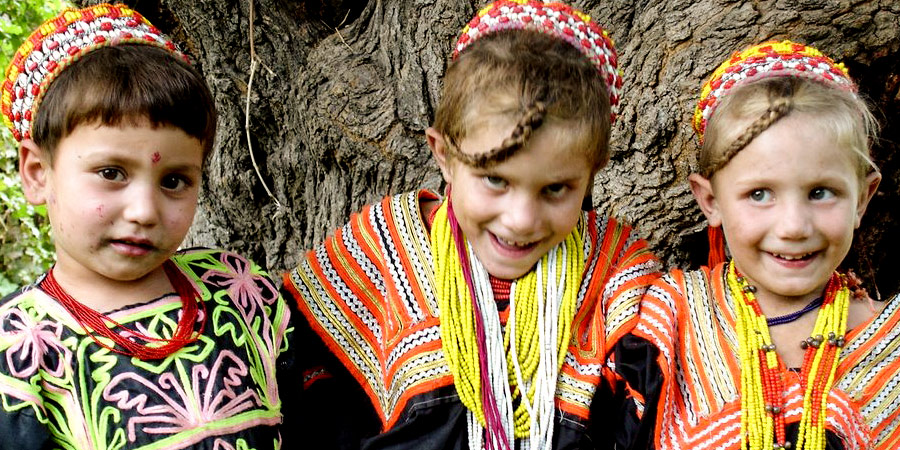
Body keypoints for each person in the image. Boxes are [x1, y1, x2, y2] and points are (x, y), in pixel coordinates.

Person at [280, 1, 660, 448]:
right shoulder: (383, 252)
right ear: (444, 154)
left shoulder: (616, 282)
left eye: (556, 189)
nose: (521, 220)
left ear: (591, 174)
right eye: (495, 179)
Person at [0, 4, 293, 449]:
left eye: (174, 181)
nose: (144, 211)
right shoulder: (19, 349)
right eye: (111, 173)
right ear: (38, 173)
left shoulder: (243, 295)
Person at [628, 41, 899, 449]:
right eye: (759, 194)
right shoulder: (668, 321)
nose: (793, 226)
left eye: (821, 192)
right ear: (710, 201)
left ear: (862, 199)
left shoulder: (891, 346)